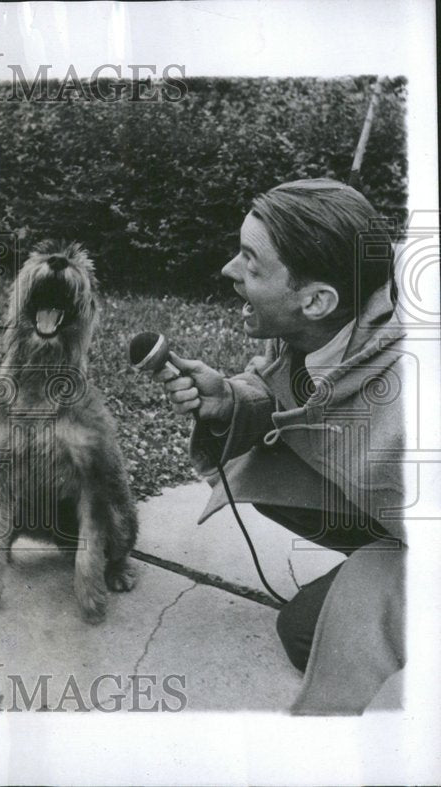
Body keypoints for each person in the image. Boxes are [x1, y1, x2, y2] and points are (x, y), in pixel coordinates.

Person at [153, 178, 407, 714]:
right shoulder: (317, 326)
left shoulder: (411, 406)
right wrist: (231, 402)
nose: (228, 270)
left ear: (316, 300)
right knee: (304, 626)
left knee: (322, 647)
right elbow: (279, 385)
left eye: (251, 261)